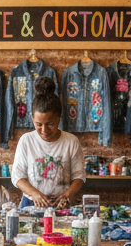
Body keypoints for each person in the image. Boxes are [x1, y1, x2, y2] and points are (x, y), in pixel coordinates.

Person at [12, 76, 84, 209]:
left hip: (61, 203)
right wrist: (35, 194)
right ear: (32, 118)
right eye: (38, 124)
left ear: (59, 118)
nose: (44, 130)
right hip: (31, 202)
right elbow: (17, 177)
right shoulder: (26, 141)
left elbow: (79, 176)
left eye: (50, 124)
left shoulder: (71, 141)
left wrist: (67, 194)